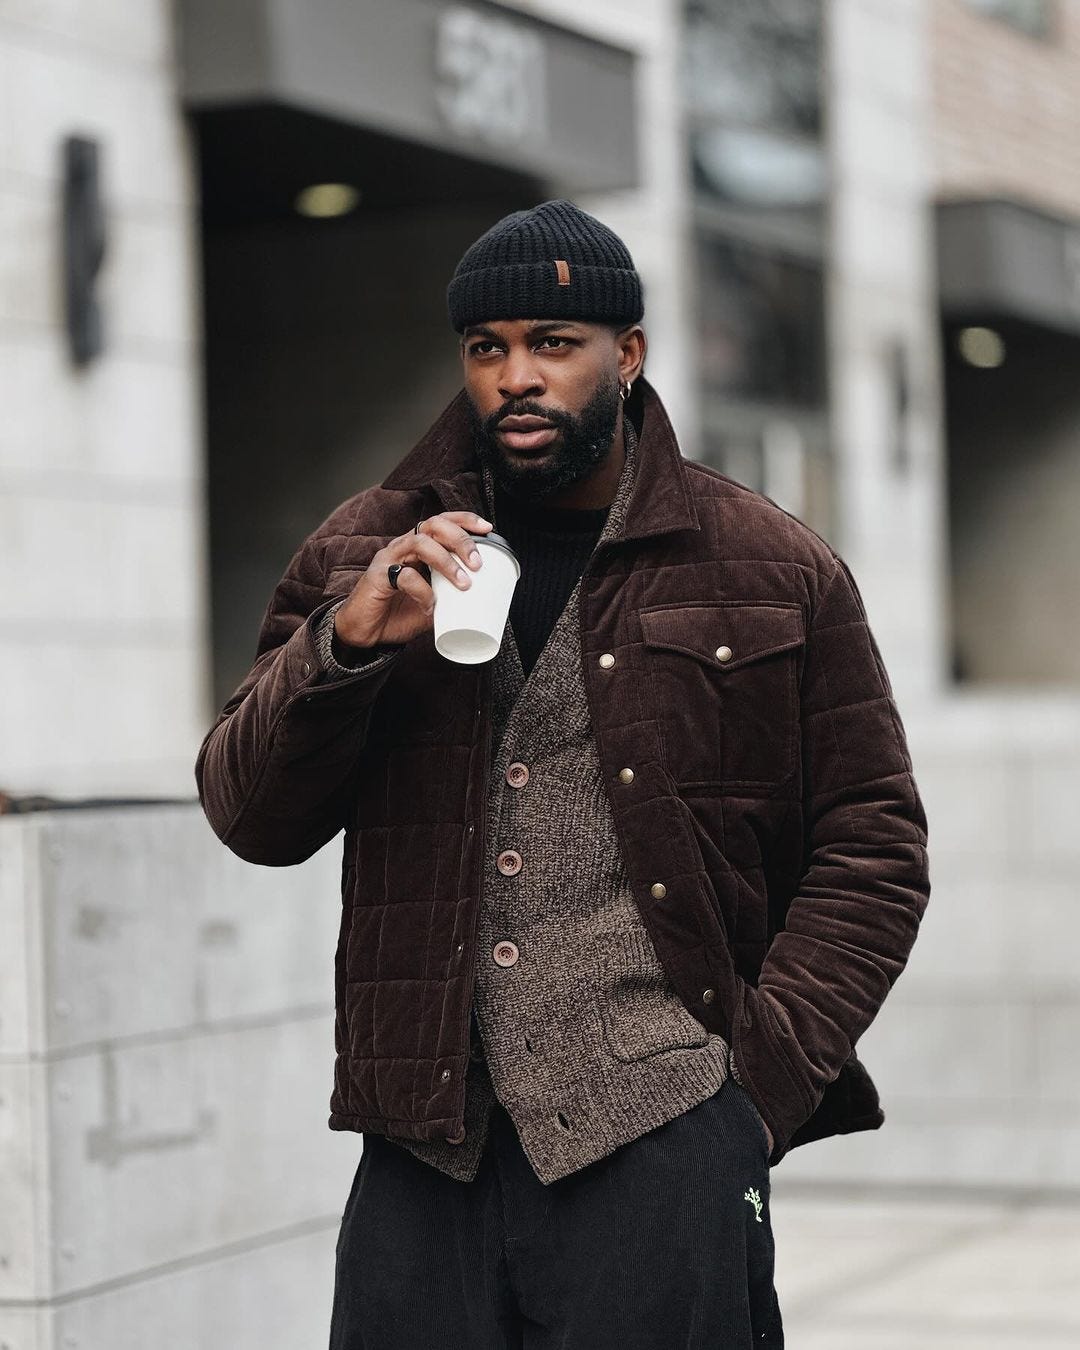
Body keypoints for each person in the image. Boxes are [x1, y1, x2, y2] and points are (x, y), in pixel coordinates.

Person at [195, 199, 930, 1349]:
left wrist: (752, 1094)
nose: (516, 377)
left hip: (662, 1132)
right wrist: (342, 648)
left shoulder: (770, 565)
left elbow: (873, 848)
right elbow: (250, 816)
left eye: (553, 344)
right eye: (488, 350)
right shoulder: (365, 550)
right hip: (424, 1141)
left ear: (626, 355)